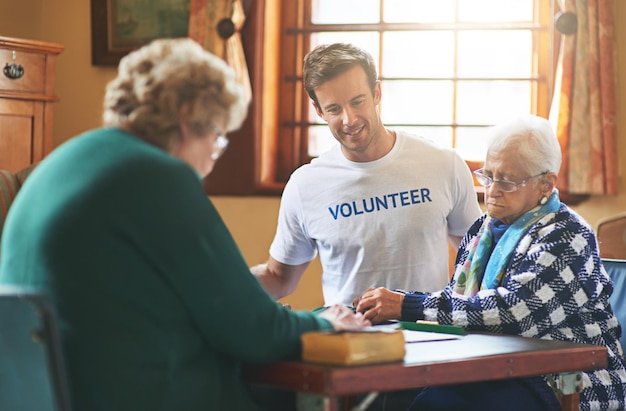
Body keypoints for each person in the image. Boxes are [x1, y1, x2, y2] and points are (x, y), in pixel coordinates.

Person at [0, 38, 370, 411]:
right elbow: (253, 331)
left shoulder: (68, 159)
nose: (213, 157)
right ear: (187, 114)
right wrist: (327, 323)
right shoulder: (157, 176)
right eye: (217, 136)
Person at [354, 114, 626, 410]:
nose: (492, 190)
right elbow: (458, 302)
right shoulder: (482, 230)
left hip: (569, 378)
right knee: (387, 395)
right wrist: (386, 307)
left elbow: (512, 313)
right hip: (497, 365)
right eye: (488, 175)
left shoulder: (567, 235)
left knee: (440, 405)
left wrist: (408, 305)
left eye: (507, 181)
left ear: (546, 184)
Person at [251, 43, 482, 315]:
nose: (349, 119)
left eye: (357, 102)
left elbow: (478, 260)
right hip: (348, 343)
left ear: (376, 92)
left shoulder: (444, 164)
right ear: (318, 111)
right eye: (334, 109)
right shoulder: (304, 186)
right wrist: (219, 284)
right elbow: (279, 278)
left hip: (431, 336)